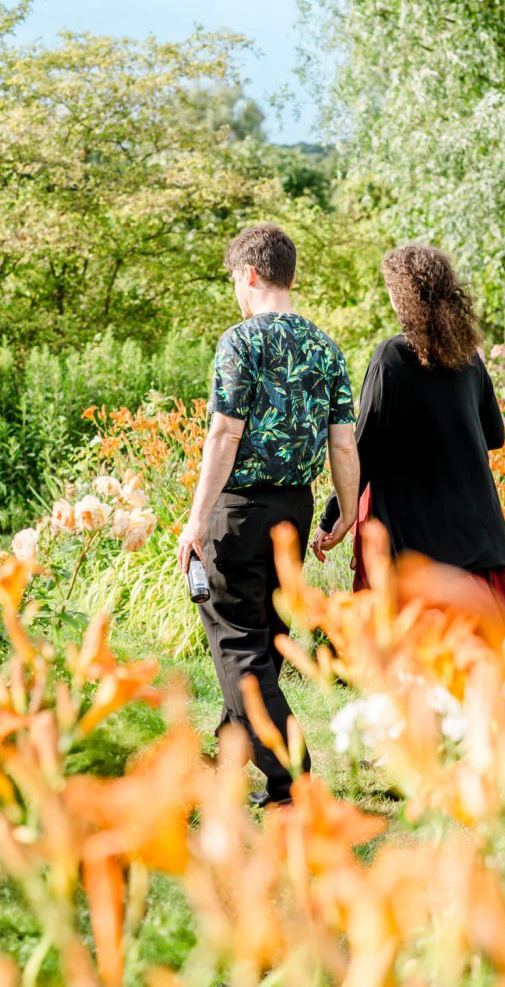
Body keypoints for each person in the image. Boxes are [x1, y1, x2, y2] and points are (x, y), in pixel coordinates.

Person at [178, 223, 359, 805]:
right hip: (294, 511)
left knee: (237, 642)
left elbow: (224, 435)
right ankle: (232, 751)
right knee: (265, 636)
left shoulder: (240, 341)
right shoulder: (325, 347)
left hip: (239, 509)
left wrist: (196, 519)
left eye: (235, 278)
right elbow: (344, 445)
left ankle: (290, 777)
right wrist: (346, 511)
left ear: (249, 273)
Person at [312, 242, 505, 613]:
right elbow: (495, 435)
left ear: (402, 296)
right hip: (477, 537)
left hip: (417, 545)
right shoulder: (468, 357)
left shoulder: (392, 356)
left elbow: (364, 448)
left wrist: (333, 517)